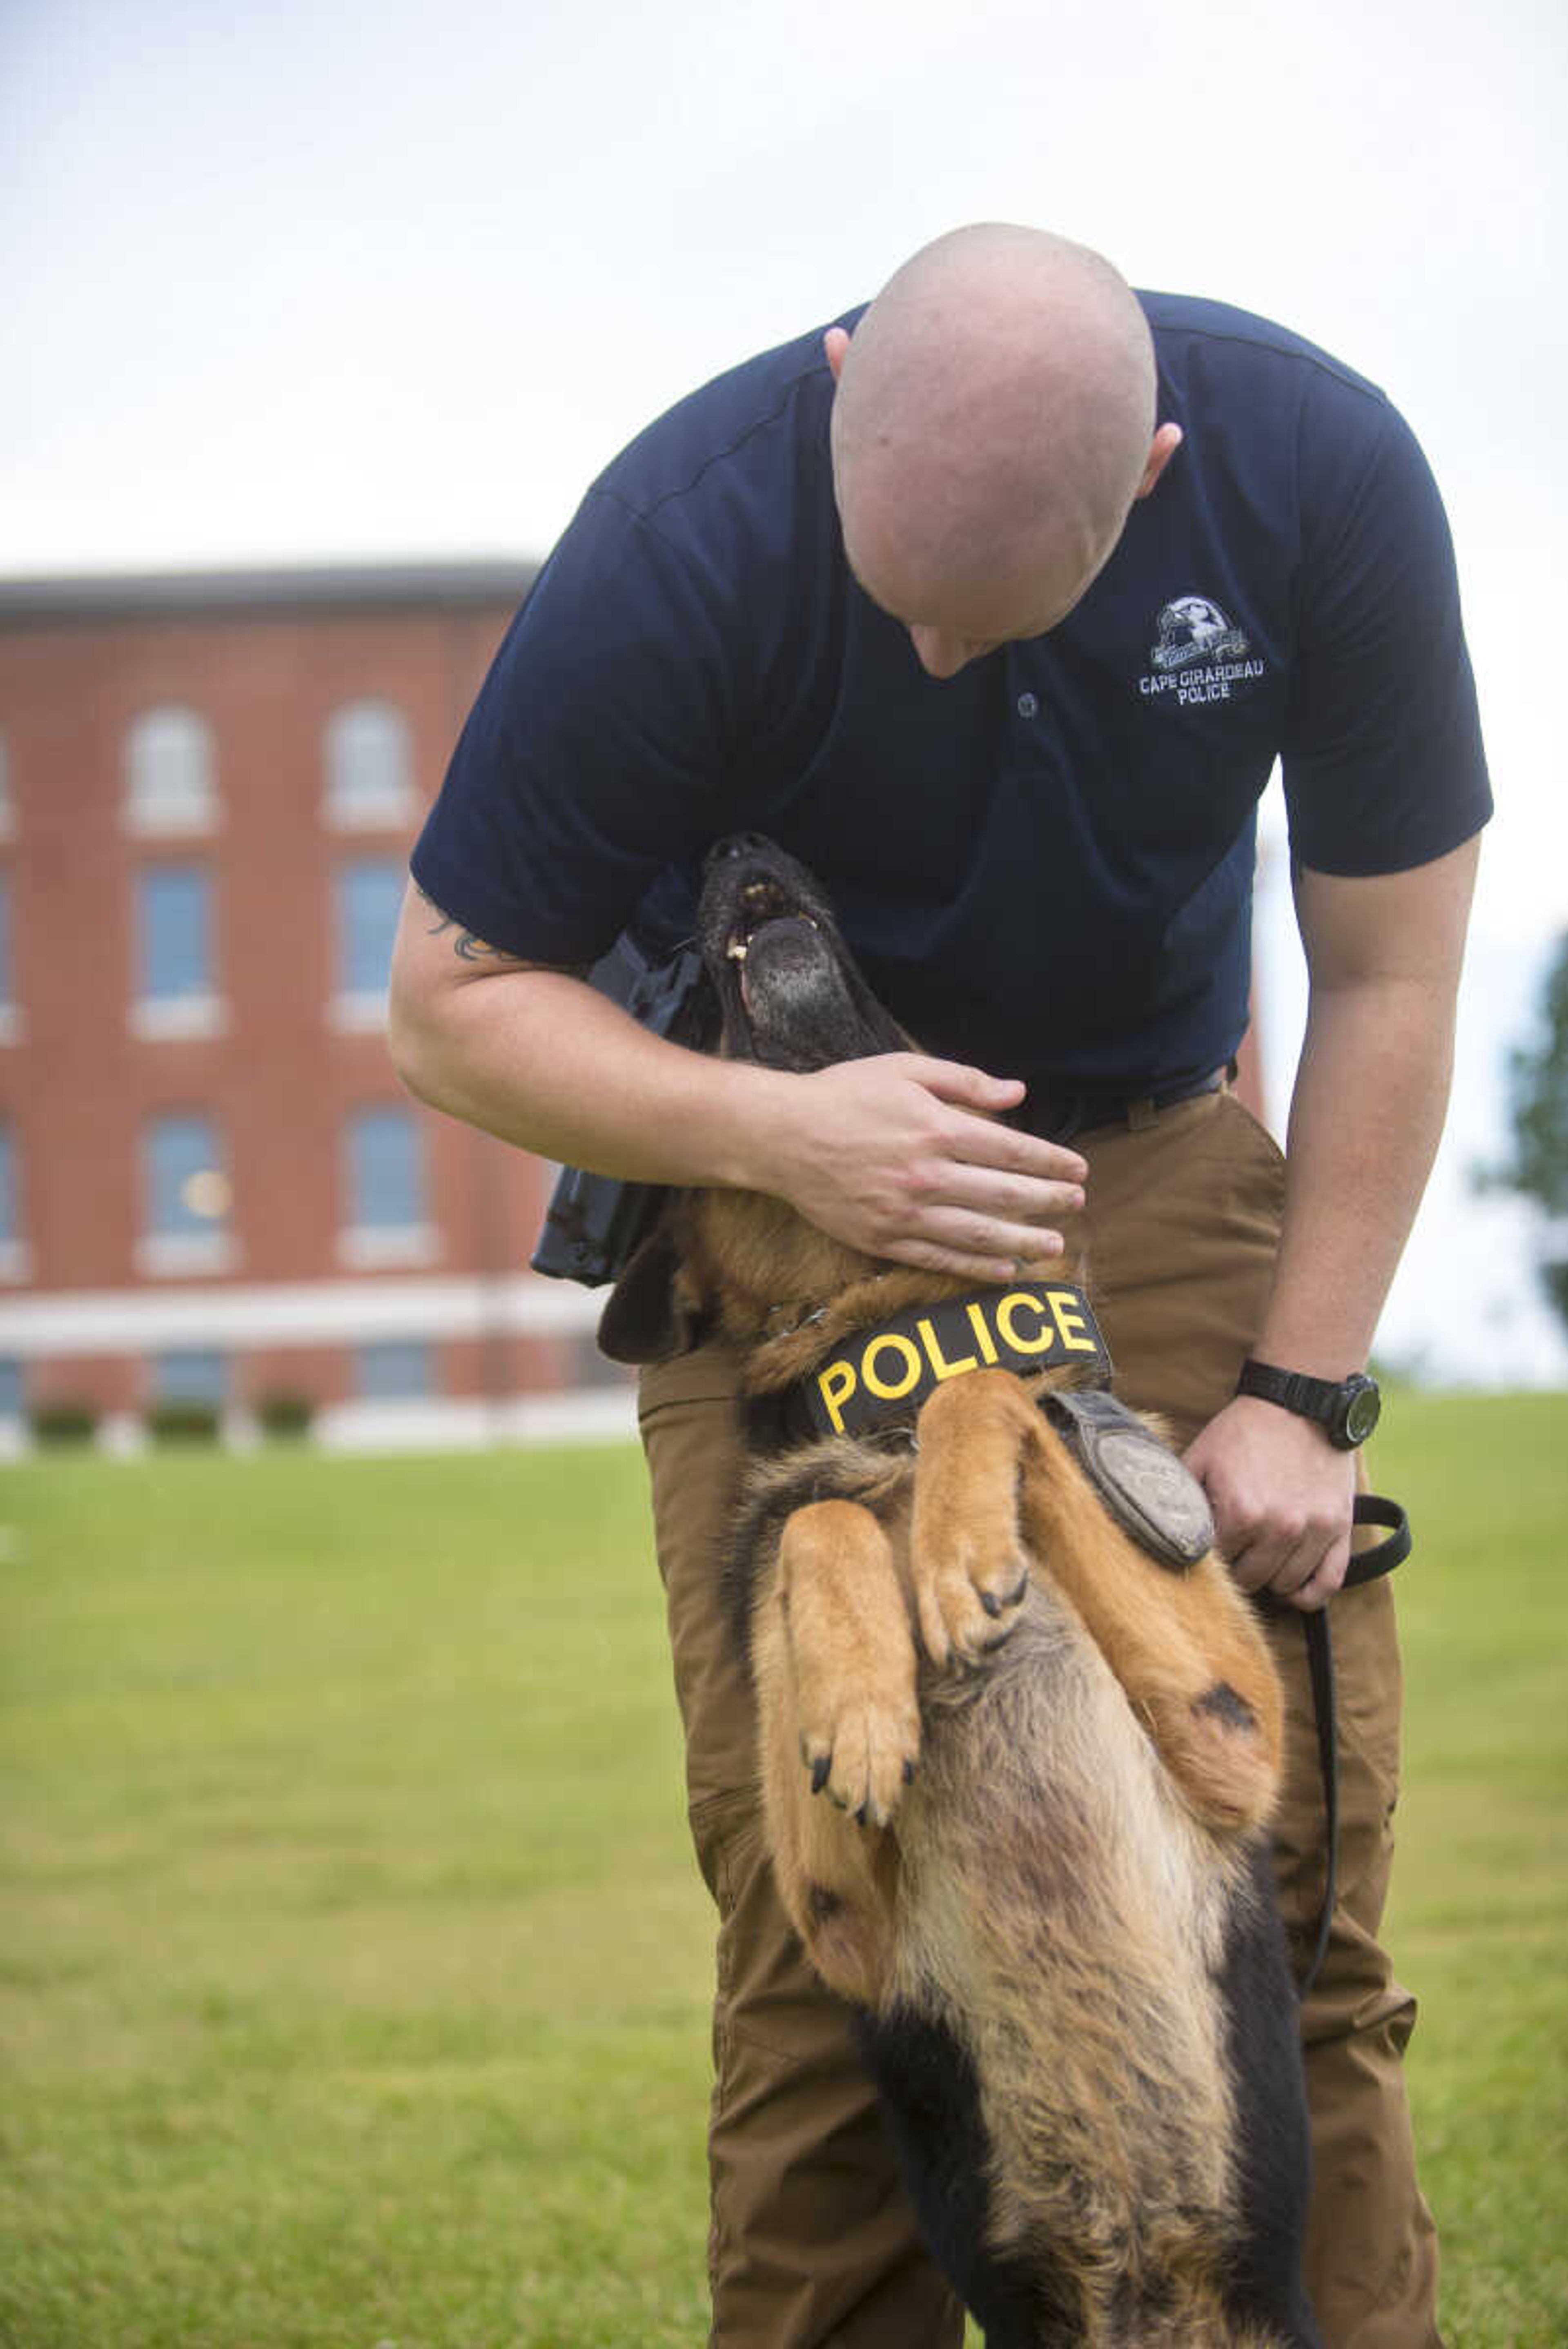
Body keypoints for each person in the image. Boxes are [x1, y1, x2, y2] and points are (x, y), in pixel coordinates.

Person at [388, 225, 1490, 2348]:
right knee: (836, 1958)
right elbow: (447, 1009)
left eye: (989, 625)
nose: (928, 663)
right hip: (770, 1204)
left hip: (1153, 1166)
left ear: (1154, 472)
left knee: (1274, 1916)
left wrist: (1302, 1390)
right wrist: (795, 1138)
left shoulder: (1320, 482)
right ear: (831, 385)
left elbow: (1393, 967)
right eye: (894, 607)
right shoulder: (681, 540)